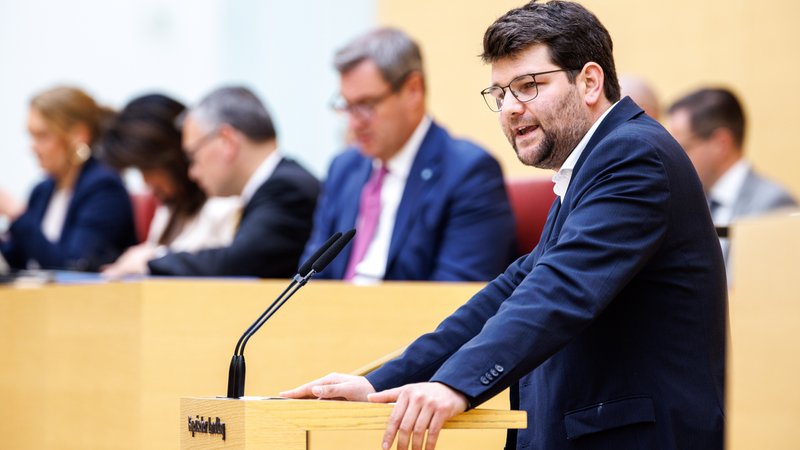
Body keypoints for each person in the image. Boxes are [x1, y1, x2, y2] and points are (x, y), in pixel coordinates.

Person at [282, 2, 726, 450]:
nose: (511, 109)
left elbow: (561, 288)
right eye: (500, 93)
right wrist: (379, 384)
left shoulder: (632, 156)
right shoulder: (594, 164)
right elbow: (511, 290)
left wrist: (455, 386)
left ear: (590, 82)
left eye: (528, 86)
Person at [302, 27, 516, 283]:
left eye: (366, 105)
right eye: (347, 106)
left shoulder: (469, 172)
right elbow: (311, 278)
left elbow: (455, 296)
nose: (354, 123)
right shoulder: (343, 168)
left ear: (413, 90)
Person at [144, 86, 319, 277]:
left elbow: (239, 263)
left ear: (227, 142)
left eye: (192, 157)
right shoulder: (277, 185)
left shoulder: (287, 189)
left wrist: (154, 259)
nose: (192, 173)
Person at [98, 94, 240, 278]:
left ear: (174, 155)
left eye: (147, 168)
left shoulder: (225, 204)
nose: (146, 183)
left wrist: (149, 259)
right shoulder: (170, 207)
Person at [0, 86, 136, 271]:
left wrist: (16, 213)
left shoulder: (104, 189)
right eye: (31, 136)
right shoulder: (42, 191)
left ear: (78, 136)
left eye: (42, 136)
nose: (32, 147)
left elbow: (72, 267)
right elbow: (19, 259)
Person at [666, 87, 797, 272]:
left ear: (721, 143)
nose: (674, 159)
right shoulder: (691, 202)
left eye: (681, 148)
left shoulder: (774, 204)